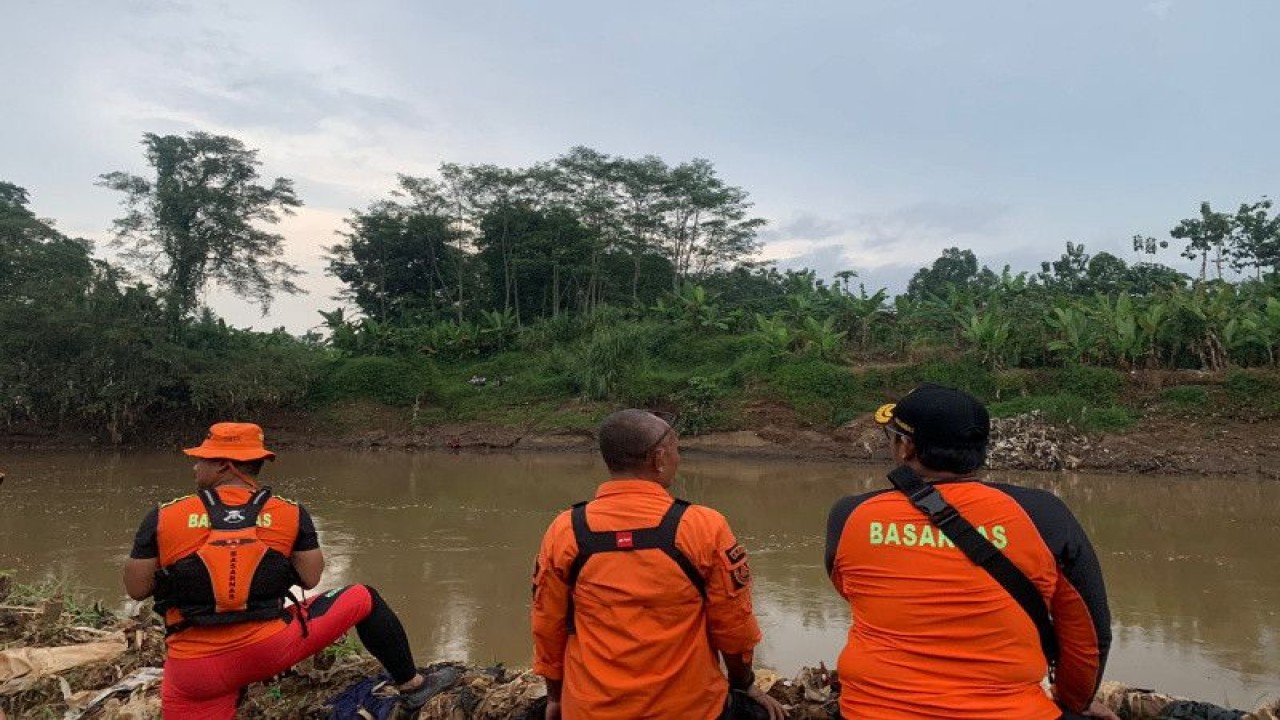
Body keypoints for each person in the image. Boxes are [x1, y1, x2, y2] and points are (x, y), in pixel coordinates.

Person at [122, 422, 456, 719]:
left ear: (225, 466)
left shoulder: (164, 516)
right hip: (268, 650)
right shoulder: (290, 513)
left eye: (201, 460)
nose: (195, 467)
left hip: (195, 669)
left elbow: (137, 589)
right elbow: (311, 577)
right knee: (363, 597)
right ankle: (412, 684)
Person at [825, 384, 1118, 720]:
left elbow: (856, 592)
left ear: (906, 447)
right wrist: (1073, 703)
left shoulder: (850, 515)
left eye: (892, 436)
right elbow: (1090, 635)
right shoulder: (1044, 515)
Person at [531, 409, 786, 720]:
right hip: (690, 709)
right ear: (659, 457)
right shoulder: (703, 526)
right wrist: (744, 683)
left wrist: (556, 698)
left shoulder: (566, 529)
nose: (678, 458)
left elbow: (547, 626)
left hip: (591, 709)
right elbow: (734, 627)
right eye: (676, 449)